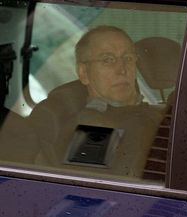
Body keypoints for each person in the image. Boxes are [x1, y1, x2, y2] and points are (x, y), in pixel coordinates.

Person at [29, 26, 164, 177]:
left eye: (128, 58)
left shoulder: (155, 113)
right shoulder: (93, 131)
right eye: (108, 60)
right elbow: (96, 194)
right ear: (84, 73)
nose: (122, 69)